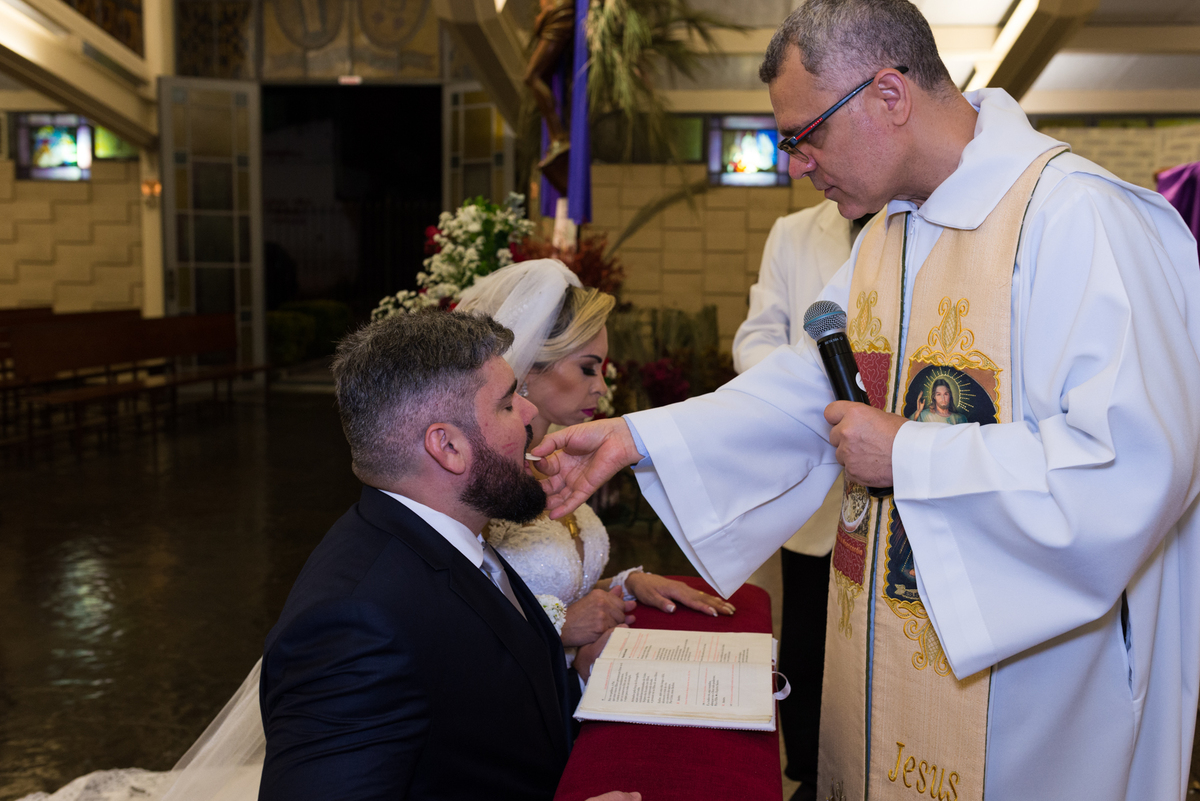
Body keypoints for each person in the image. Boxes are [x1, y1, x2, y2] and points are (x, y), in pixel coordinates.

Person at [529, 1, 1200, 800]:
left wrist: (909, 454)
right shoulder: (891, 232)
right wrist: (638, 436)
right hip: (882, 664)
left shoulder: (1080, 218)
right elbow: (802, 389)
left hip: (1035, 697)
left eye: (804, 134)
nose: (796, 165)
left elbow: (1137, 465)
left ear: (889, 94)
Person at [259, 311, 639, 800]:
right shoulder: (352, 626)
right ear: (447, 446)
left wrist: (581, 676)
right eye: (507, 404)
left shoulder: (455, 534)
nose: (528, 414)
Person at [456, 259, 734, 668]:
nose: (602, 387)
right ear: (530, 365)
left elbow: (546, 585)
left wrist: (626, 584)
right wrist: (556, 627)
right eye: (588, 368)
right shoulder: (487, 474)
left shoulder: (557, 457)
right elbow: (455, 610)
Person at [732, 198, 869, 801]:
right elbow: (758, 337)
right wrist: (814, 399)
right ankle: (813, 774)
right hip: (817, 475)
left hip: (903, 476)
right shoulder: (792, 232)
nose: (799, 163)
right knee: (811, 635)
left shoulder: (924, 218)